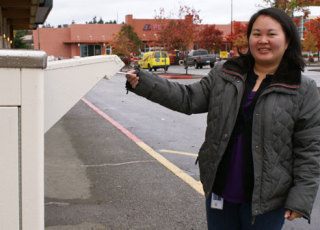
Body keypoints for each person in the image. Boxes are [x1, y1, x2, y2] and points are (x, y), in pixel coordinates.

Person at [125, 7, 320, 230]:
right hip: (221, 190)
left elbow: (309, 148)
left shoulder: (303, 88)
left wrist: (301, 197)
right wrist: (144, 82)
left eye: (271, 34)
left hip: (267, 202)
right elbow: (188, 98)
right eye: (256, 34)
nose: (263, 40)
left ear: (287, 41)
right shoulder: (225, 73)